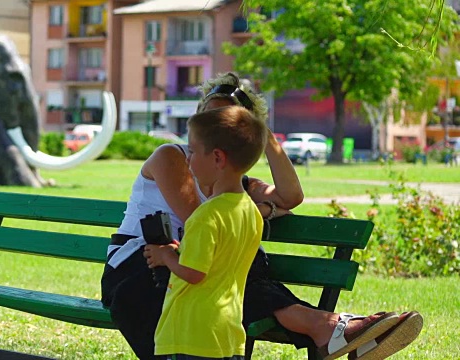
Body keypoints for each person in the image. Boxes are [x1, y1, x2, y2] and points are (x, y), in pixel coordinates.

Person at [100, 72, 422, 360]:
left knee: (241, 266)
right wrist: (260, 210)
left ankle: (329, 329)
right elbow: (204, 221)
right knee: (232, 263)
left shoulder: (233, 180)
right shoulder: (172, 157)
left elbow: (291, 196)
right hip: (142, 264)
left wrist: (263, 136)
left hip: (197, 266)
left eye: (227, 121)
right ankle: (329, 328)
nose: (214, 126)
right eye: (209, 117)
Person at [143, 105, 268, 359]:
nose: (187, 159)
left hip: (192, 334)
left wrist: (167, 256)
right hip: (228, 332)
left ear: (218, 158)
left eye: (192, 151)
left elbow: (194, 273)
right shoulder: (250, 211)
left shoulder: (206, 215)